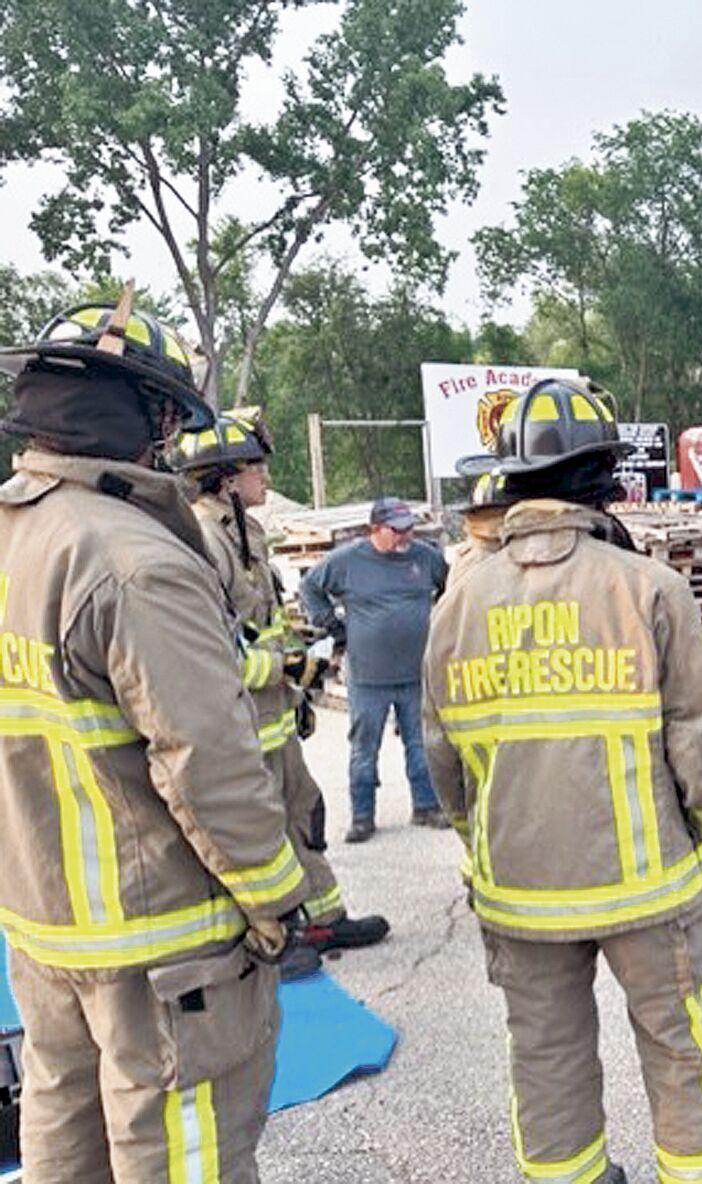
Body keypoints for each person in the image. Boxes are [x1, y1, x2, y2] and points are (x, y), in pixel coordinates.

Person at [0, 289, 309, 1181]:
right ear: (153, 413)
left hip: (44, 929)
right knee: (180, 1151)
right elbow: (203, 761)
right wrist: (274, 899)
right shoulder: (132, 560)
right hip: (160, 944)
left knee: (64, 1137)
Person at [424, 376, 702, 1184]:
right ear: (603, 478)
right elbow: (697, 743)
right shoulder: (647, 587)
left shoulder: (459, 602)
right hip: (646, 888)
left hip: (518, 893)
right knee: (684, 1046)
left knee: (543, 1054)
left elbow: (446, 760)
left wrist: (483, 853)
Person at [171, 409, 390, 959]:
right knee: (261, 830)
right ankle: (280, 933)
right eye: (256, 468)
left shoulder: (248, 531)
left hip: (273, 719)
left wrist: (297, 672)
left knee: (303, 812)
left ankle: (324, 918)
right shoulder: (202, 540)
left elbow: (259, 624)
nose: (266, 477)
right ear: (225, 478)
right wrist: (285, 669)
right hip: (241, 723)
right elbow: (211, 655)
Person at [299, 496, 449, 842]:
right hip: (368, 678)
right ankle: (362, 817)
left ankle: (426, 806)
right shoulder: (347, 561)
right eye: (397, 530)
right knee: (364, 749)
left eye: (409, 528)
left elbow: (449, 587)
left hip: (416, 674)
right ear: (375, 529)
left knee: (421, 744)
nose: (405, 536)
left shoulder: (425, 557)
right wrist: (332, 626)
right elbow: (309, 588)